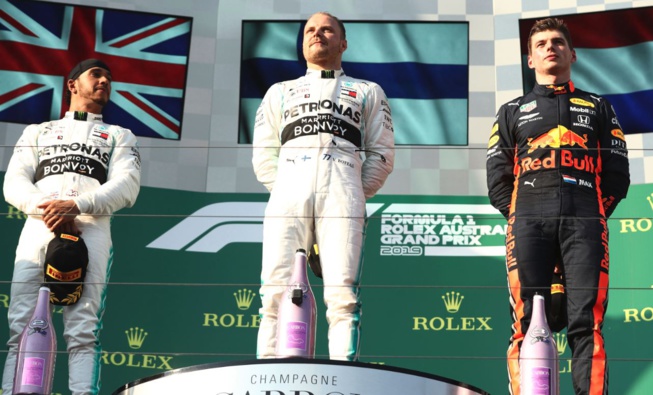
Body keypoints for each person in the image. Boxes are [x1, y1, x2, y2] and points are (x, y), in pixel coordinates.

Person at [486, 18, 630, 395]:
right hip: (528, 223)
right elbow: (498, 183)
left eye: (558, 42)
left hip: (586, 223)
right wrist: (528, 217)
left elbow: (617, 176)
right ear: (530, 59)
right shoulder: (511, 111)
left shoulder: (599, 106)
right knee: (527, 322)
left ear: (572, 53)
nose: (551, 47)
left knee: (587, 322)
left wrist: (590, 214)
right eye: (541, 44)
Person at [252, 12, 394, 361]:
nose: (318, 34)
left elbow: (382, 154)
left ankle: (341, 372)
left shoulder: (367, 91)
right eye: (311, 30)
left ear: (342, 43)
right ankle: (269, 371)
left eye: (327, 29)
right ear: (302, 45)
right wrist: (289, 185)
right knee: (274, 291)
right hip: (287, 194)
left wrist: (351, 190)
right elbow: (263, 157)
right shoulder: (279, 92)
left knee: (343, 294)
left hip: (342, 193)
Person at [2, 59, 141, 395]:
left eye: (109, 78)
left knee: (82, 328)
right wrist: (50, 209)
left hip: (90, 227)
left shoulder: (119, 135)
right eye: (96, 75)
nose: (105, 81)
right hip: (40, 223)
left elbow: (128, 184)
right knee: (22, 324)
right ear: (72, 84)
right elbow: (14, 182)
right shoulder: (38, 131)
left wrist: (77, 206)